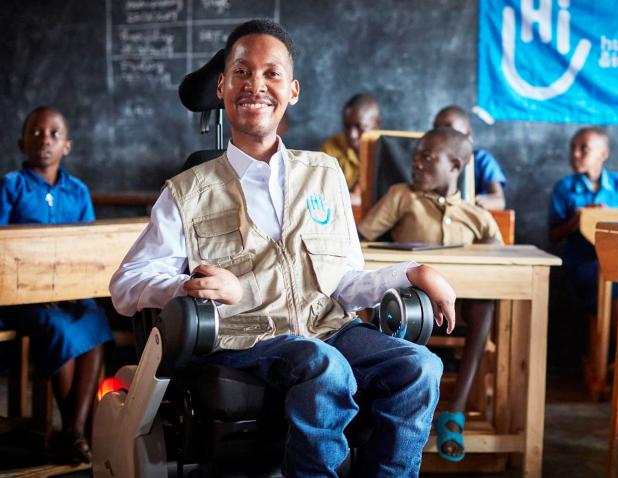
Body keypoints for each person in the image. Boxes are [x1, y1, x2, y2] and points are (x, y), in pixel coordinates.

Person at [110, 20, 454, 477]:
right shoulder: (186, 192)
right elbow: (126, 285)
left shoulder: (324, 174)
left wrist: (411, 272)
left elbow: (344, 282)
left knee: (420, 367)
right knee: (323, 364)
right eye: (241, 72)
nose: (256, 85)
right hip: (243, 340)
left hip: (326, 329)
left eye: (271, 73)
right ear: (222, 86)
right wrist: (193, 285)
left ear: (292, 91)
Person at [357, 128, 501, 462]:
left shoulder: (475, 214)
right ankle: (401, 408)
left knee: (485, 303)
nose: (416, 164)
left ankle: (456, 411)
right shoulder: (401, 196)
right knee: (406, 306)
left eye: (427, 157)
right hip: (410, 302)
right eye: (415, 156)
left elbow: (499, 258)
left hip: (461, 304)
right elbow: (361, 240)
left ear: (454, 165)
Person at [0, 106, 112, 464]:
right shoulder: (11, 187)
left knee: (94, 320)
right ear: (22, 142)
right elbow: (2, 246)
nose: (44, 140)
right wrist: (34, 290)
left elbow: (87, 246)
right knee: (59, 327)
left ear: (67, 145)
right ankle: (77, 432)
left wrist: (69, 289)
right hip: (22, 299)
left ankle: (73, 433)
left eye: (53, 134)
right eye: (35, 133)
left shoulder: (77, 191)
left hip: (70, 294)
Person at [549, 127, 618, 314]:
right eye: (572, 148)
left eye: (584, 149)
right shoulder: (564, 187)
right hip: (582, 264)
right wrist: (581, 219)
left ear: (603, 154)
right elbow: (554, 235)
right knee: (606, 278)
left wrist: (609, 217)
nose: (575, 154)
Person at [433, 105, 507, 210]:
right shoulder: (431, 161)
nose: (442, 135)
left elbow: (499, 201)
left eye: (449, 129)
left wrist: (477, 202)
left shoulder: (482, 160)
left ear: (467, 133)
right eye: (436, 129)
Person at [320, 93, 382, 206]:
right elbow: (320, 192)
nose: (352, 135)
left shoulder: (390, 155)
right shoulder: (331, 149)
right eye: (347, 126)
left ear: (377, 124)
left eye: (360, 127)